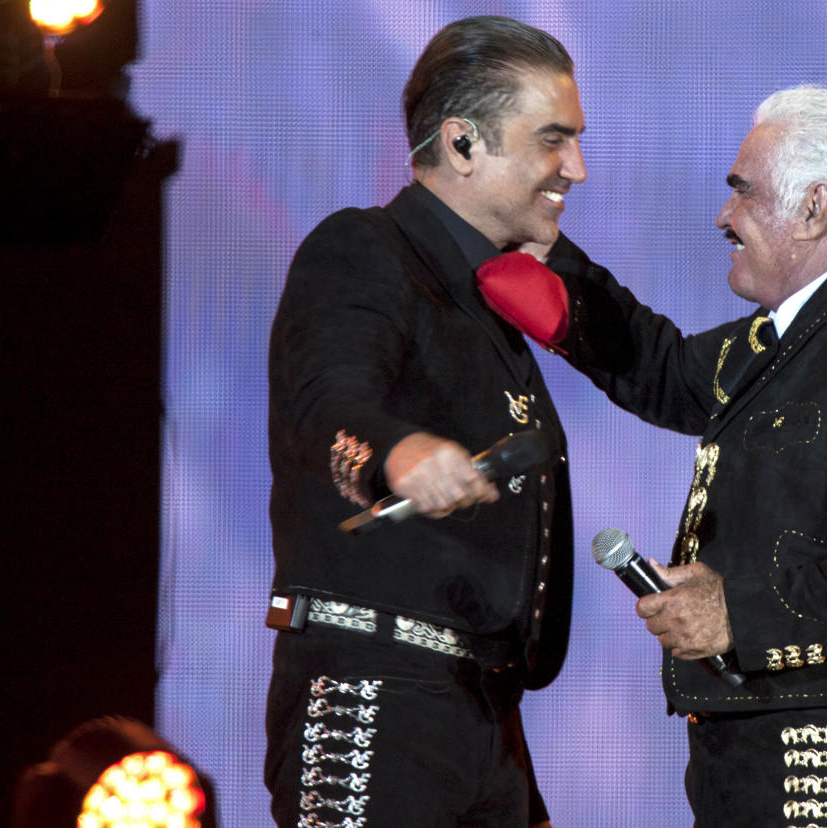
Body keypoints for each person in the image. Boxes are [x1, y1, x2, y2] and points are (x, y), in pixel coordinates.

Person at [504, 84, 827, 826]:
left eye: (743, 193)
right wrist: (547, 259)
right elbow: (664, 370)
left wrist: (736, 613)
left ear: (815, 208)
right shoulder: (795, 335)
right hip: (760, 761)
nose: (723, 217)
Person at [263, 16, 586, 828]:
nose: (575, 168)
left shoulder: (485, 300)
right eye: (553, 140)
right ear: (463, 143)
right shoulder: (362, 248)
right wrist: (396, 454)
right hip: (378, 692)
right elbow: (324, 402)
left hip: (482, 713)